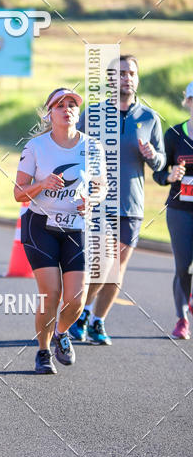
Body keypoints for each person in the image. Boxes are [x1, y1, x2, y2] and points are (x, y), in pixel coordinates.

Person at [70, 55, 166, 345]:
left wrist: (152, 155)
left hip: (132, 205)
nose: (126, 78)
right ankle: (76, 316)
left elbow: (161, 164)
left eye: (131, 73)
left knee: (117, 272)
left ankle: (95, 320)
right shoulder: (94, 113)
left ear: (137, 78)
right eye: (120, 73)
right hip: (99, 204)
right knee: (104, 264)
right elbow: (76, 152)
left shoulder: (150, 118)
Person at [15, 88, 106, 375]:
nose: (67, 109)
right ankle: (43, 352)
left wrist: (92, 200)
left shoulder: (92, 147)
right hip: (40, 225)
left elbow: (101, 186)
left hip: (76, 228)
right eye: (60, 105)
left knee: (77, 299)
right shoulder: (35, 147)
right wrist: (41, 185)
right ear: (49, 113)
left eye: (72, 105)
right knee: (50, 293)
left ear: (78, 113)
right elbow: (18, 193)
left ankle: (61, 333)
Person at [152, 80, 193, 340]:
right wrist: (170, 176)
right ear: (188, 102)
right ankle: (181, 319)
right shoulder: (175, 135)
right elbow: (158, 171)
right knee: (183, 267)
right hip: (180, 211)